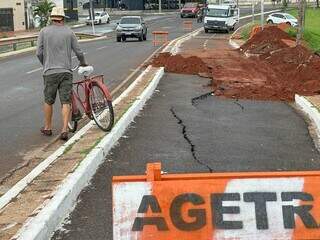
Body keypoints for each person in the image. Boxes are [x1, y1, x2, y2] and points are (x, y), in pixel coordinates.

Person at [36, 7, 87, 141]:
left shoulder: (43, 31)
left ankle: (47, 127)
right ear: (63, 19)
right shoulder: (69, 32)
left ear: (52, 18)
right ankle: (64, 129)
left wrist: (45, 64)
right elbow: (79, 52)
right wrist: (83, 62)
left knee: (48, 100)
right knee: (66, 101)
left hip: (50, 72)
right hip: (65, 72)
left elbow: (38, 53)